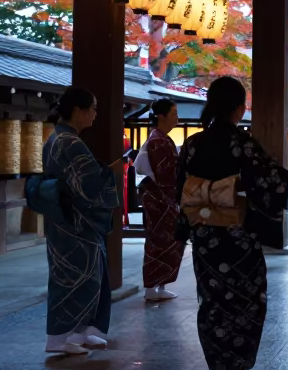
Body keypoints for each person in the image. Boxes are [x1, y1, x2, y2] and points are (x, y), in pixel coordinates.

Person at [177, 76, 288, 370]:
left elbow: (179, 189)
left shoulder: (193, 143)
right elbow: (271, 181)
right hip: (238, 239)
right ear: (239, 108)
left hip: (204, 236)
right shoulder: (242, 143)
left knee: (211, 302)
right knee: (244, 301)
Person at [43, 87, 120, 354]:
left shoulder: (58, 138)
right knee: (76, 276)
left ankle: (81, 331)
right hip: (75, 220)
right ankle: (58, 337)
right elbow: (89, 184)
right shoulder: (70, 142)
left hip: (67, 218)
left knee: (89, 274)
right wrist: (109, 173)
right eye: (94, 108)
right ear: (78, 110)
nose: (96, 114)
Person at [136, 99, 184, 301]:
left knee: (164, 241)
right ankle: (152, 287)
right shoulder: (159, 141)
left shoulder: (159, 139)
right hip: (162, 198)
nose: (177, 117)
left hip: (160, 197)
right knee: (162, 241)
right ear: (161, 116)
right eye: (173, 113)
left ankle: (158, 285)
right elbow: (167, 175)